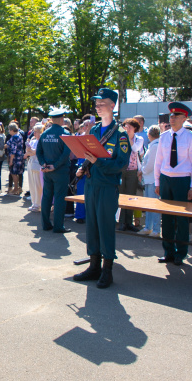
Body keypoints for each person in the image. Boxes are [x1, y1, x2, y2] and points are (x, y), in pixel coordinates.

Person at [72, 88, 129, 289]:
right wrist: (83, 167)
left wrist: (99, 162)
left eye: (102, 103)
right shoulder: (94, 130)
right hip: (91, 183)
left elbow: (121, 164)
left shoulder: (120, 134)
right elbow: (88, 154)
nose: (97, 106)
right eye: (96, 103)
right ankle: (93, 265)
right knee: (92, 226)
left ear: (112, 106)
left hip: (107, 186)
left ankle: (107, 270)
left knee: (105, 227)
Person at [153, 102, 192, 266]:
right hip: (166, 178)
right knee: (166, 218)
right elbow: (158, 160)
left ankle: (180, 253)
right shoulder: (164, 136)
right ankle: (168, 251)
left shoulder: (191, 137)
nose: (172, 118)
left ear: (184, 118)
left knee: (181, 219)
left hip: (182, 180)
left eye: (176, 116)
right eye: (171, 116)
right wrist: (157, 182)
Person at [37, 109, 72, 233]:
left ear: (51, 119)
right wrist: (55, 165)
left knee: (46, 197)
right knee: (59, 198)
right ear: (62, 119)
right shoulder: (65, 134)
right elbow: (65, 154)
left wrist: (43, 164)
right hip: (60, 171)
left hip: (47, 171)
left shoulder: (44, 134)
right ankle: (58, 226)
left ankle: (45, 224)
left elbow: (38, 152)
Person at [118, 118, 143, 232]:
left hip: (133, 170)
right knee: (122, 196)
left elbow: (135, 148)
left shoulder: (139, 139)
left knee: (131, 196)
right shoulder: (120, 138)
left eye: (129, 127)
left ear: (135, 129)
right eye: (125, 126)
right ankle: (122, 222)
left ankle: (129, 222)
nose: (126, 129)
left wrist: (129, 138)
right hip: (122, 170)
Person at [140, 125, 161, 236]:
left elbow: (150, 165)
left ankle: (156, 229)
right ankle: (148, 227)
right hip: (149, 179)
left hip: (153, 179)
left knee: (154, 205)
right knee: (149, 205)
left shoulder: (155, 146)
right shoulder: (153, 145)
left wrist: (141, 170)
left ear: (149, 135)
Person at [25, 123, 43, 212]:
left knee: (37, 185)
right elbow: (27, 153)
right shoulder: (33, 141)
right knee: (31, 184)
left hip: (38, 164)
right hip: (31, 163)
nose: (34, 134)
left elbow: (35, 152)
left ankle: (38, 204)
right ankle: (34, 202)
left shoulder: (42, 142)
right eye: (34, 132)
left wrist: (31, 151)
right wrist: (30, 151)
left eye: (36, 132)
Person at [7, 122, 25, 196]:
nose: (8, 131)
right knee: (18, 173)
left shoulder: (14, 137)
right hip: (20, 157)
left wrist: (11, 161)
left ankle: (16, 189)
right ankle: (17, 188)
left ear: (11, 130)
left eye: (9, 130)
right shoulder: (19, 135)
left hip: (15, 158)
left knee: (14, 173)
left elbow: (13, 150)